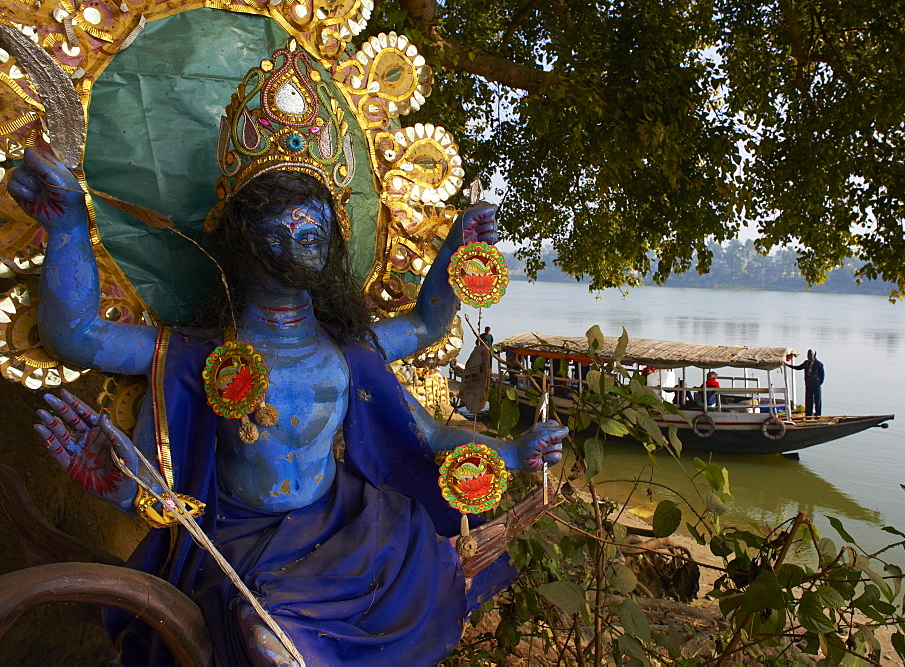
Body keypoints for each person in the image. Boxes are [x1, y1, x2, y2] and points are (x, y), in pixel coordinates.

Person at [9, 45, 566, 665]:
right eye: (274, 235)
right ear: (239, 241)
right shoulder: (194, 356)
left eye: (310, 236)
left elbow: (432, 347)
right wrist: (65, 227)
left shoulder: (351, 350)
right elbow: (78, 335)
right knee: (264, 639)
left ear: (333, 243)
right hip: (239, 547)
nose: (294, 252)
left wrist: (516, 452)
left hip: (353, 533)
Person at [787, 349, 825, 416]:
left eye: (810, 355)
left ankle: (818, 416)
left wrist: (819, 382)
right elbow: (799, 367)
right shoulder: (806, 363)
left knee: (817, 401)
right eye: (808, 354)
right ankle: (808, 415)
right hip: (808, 384)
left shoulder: (819, 364)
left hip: (816, 385)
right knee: (808, 400)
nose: (809, 356)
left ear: (814, 355)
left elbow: (822, 375)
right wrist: (789, 365)